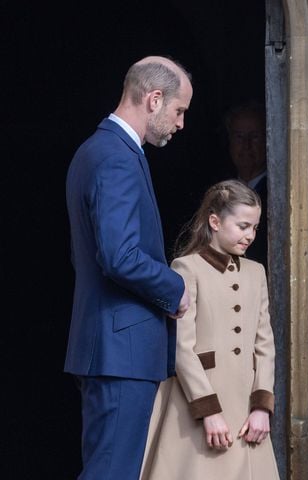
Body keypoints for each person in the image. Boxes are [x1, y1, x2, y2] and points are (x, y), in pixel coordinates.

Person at [65, 55, 193, 480]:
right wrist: (174, 288)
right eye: (178, 111)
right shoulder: (115, 156)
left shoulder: (101, 149)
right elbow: (118, 255)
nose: (180, 124)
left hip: (113, 347)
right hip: (121, 350)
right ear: (154, 99)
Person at [140, 180, 278, 479]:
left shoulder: (256, 272)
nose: (250, 235)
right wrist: (209, 410)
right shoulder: (186, 267)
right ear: (215, 221)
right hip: (197, 404)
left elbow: (264, 344)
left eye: (254, 227)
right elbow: (181, 347)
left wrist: (262, 407)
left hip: (245, 408)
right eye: (242, 226)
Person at [224, 101, 268, 266]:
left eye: (254, 136)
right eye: (239, 136)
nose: (246, 145)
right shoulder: (219, 188)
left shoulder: (278, 192)